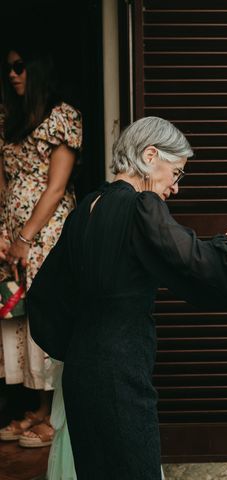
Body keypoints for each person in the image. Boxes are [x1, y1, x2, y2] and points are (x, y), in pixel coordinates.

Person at [27, 116, 227, 480]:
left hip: (81, 371)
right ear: (150, 155)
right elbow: (203, 263)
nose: (176, 187)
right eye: (177, 172)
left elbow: (42, 295)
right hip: (121, 375)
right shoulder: (140, 206)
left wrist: (75, 344)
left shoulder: (86, 208)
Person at [0, 45, 81, 448]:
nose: (12, 75)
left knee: (48, 315)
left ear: (37, 68)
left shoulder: (62, 117)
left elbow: (56, 187)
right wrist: (3, 232)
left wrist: (23, 238)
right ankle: (36, 407)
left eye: (19, 67)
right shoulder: (9, 120)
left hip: (45, 232)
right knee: (22, 318)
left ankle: (53, 414)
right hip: (12, 235)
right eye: (8, 68)